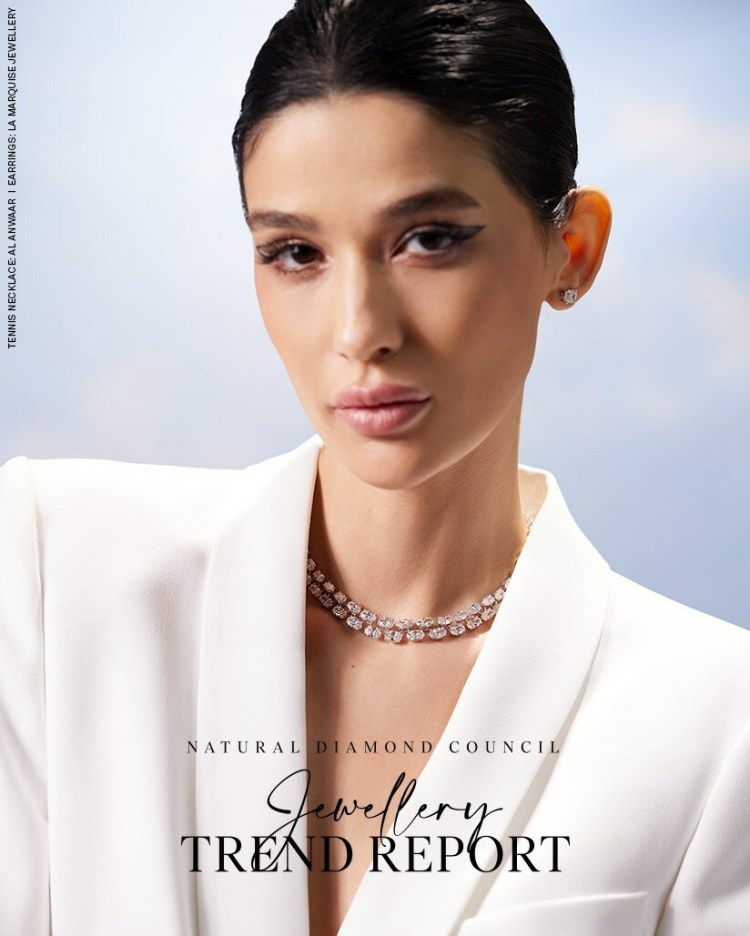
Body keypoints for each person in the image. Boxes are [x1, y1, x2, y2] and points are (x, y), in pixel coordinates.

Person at [1, 1, 748, 934]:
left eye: (428, 238)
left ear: (574, 249)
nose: (360, 332)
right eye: (296, 253)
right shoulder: (45, 575)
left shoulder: (718, 724)